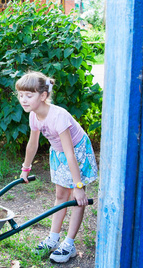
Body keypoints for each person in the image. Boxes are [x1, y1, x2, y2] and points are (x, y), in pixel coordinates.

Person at [15, 71, 98, 263]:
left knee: (77, 199)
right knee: (60, 196)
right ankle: (53, 238)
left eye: (29, 95)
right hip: (59, 153)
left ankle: (69, 244)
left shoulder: (58, 116)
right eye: (20, 95)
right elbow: (32, 144)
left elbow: (71, 153)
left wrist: (78, 187)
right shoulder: (34, 116)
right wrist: (25, 168)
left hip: (77, 153)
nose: (23, 100)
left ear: (43, 96)